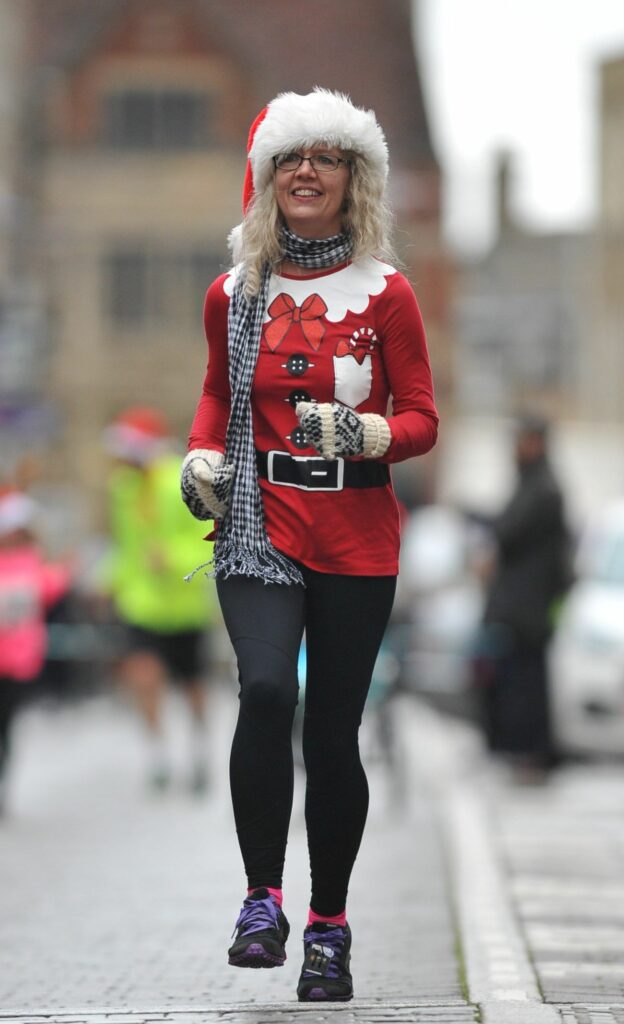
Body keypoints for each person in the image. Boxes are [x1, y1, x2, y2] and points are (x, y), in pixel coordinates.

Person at [181, 88, 438, 1001]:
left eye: (326, 158)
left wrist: (368, 436)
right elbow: (218, 394)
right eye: (292, 159)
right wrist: (202, 457)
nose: (306, 171)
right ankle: (261, 902)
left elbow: (421, 420)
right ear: (265, 179)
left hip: (358, 536)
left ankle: (329, 927)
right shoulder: (234, 294)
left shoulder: (388, 293)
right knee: (261, 691)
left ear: (352, 179)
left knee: (332, 735)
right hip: (259, 525)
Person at [102, 406, 219, 793]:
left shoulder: (180, 483)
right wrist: (111, 580)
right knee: (143, 675)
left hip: (184, 607)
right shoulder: (123, 487)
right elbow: (126, 546)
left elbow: (207, 542)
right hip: (141, 605)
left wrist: (169, 559)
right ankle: (158, 753)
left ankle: (200, 748)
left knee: (192, 686)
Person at [472, 414, 571, 780]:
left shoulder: (544, 489)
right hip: (523, 608)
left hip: (529, 610)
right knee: (517, 679)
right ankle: (521, 749)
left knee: (528, 682)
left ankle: (533, 752)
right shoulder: (532, 484)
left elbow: (509, 530)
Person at [0, 488, 71, 815]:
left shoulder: (31, 561)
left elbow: (50, 586)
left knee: (6, 726)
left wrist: (66, 568)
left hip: (18, 663)